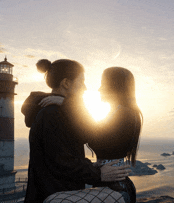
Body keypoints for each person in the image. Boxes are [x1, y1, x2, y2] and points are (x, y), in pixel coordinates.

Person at [21, 59, 132, 203]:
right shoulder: (53, 113)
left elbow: (87, 134)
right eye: (82, 81)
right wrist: (99, 174)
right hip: (53, 195)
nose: (85, 87)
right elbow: (62, 162)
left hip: (58, 191)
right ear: (66, 83)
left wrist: (93, 166)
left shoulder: (60, 111)